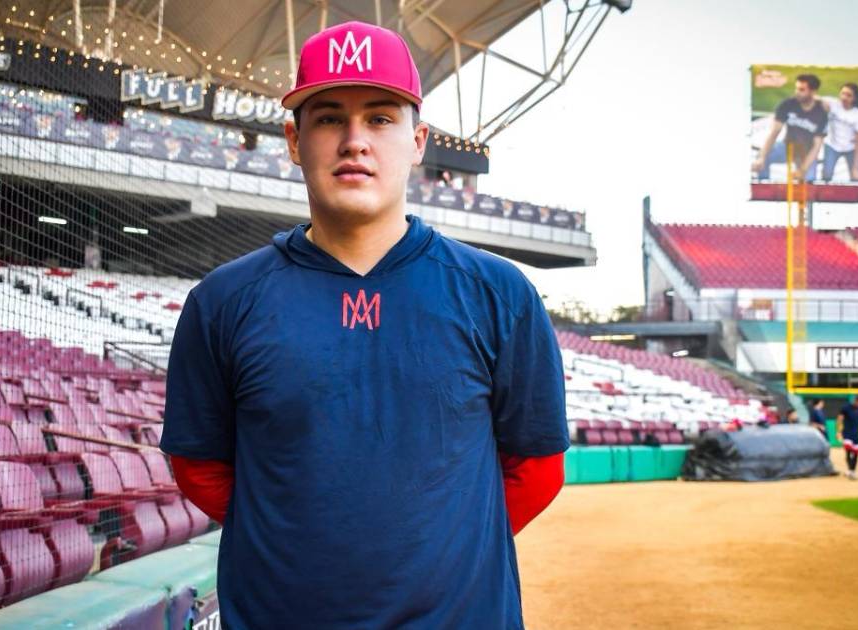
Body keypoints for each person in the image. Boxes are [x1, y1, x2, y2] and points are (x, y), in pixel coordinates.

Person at [160, 21, 568, 629]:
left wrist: (438, 550)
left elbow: (538, 468)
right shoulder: (223, 301)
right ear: (294, 140)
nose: (355, 141)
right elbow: (199, 467)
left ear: (417, 140)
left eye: (380, 118)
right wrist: (303, 546)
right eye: (329, 119)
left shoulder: (499, 293)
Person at [752, 73, 828, 183]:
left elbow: (817, 146)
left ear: (813, 92)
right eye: (796, 88)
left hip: (807, 151)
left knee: (809, 181)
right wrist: (762, 157)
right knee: (762, 157)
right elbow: (774, 132)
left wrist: (802, 170)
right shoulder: (788, 104)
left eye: (802, 90)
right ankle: (764, 188)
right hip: (787, 146)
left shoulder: (821, 112)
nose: (797, 92)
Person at [819, 82, 858, 182]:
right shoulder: (832, 103)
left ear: (854, 98)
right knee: (826, 175)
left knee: (856, 177)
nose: (844, 97)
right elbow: (814, 98)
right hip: (832, 145)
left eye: (849, 95)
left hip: (851, 148)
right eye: (843, 93)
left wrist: (855, 167)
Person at [837, 396, 858, 480]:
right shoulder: (846, 408)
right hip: (847, 434)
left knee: (856, 454)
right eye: (857, 401)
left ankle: (852, 470)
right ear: (854, 401)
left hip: (857, 435)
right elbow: (840, 419)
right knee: (848, 451)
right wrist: (839, 431)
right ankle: (851, 470)